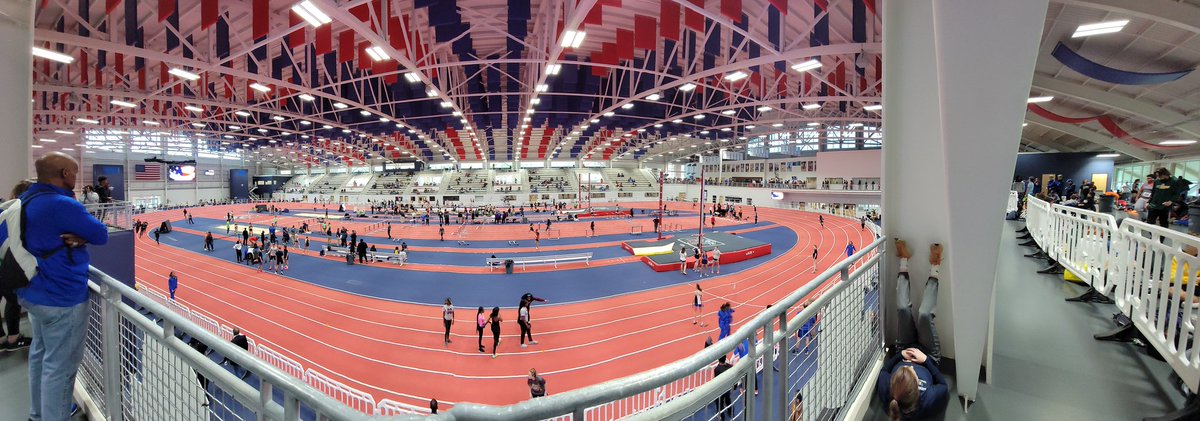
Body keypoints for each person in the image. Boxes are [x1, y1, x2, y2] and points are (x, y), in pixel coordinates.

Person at [18, 152, 110, 421]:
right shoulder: (62, 204)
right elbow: (100, 234)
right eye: (73, 171)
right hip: (62, 297)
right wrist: (83, 236)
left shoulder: (27, 199)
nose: (76, 176)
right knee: (61, 368)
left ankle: (38, 415)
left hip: (33, 292)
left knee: (40, 356)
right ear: (64, 174)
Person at [876, 239, 949, 420]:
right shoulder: (928, 401)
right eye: (914, 374)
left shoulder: (888, 395)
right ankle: (935, 266)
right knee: (924, 314)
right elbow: (943, 385)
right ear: (918, 389)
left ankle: (903, 260)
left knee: (902, 309)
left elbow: (885, 371)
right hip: (929, 355)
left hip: (905, 348)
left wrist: (901, 357)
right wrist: (925, 360)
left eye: (907, 370)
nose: (912, 368)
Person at [1, 179, 35, 353]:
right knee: (14, 301)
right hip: (5, 266)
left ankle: (2, 338)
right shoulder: (19, 212)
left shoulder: (5, 208)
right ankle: (13, 338)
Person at [712, 355, 734, 421]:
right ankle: (731, 412)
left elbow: (716, 380)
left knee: (720, 403)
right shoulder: (730, 366)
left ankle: (722, 417)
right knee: (728, 400)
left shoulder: (717, 369)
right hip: (728, 387)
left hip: (721, 389)